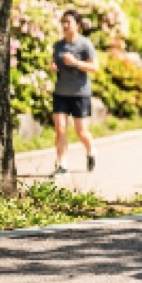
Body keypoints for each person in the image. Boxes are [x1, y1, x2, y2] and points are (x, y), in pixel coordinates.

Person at [49, 10, 99, 175]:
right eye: (63, 22)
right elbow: (53, 64)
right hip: (61, 93)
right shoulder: (58, 45)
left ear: (77, 25)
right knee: (60, 129)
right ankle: (62, 164)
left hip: (80, 94)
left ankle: (91, 150)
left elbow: (94, 68)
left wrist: (76, 62)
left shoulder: (85, 45)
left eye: (68, 22)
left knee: (81, 131)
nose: (64, 25)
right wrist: (52, 68)